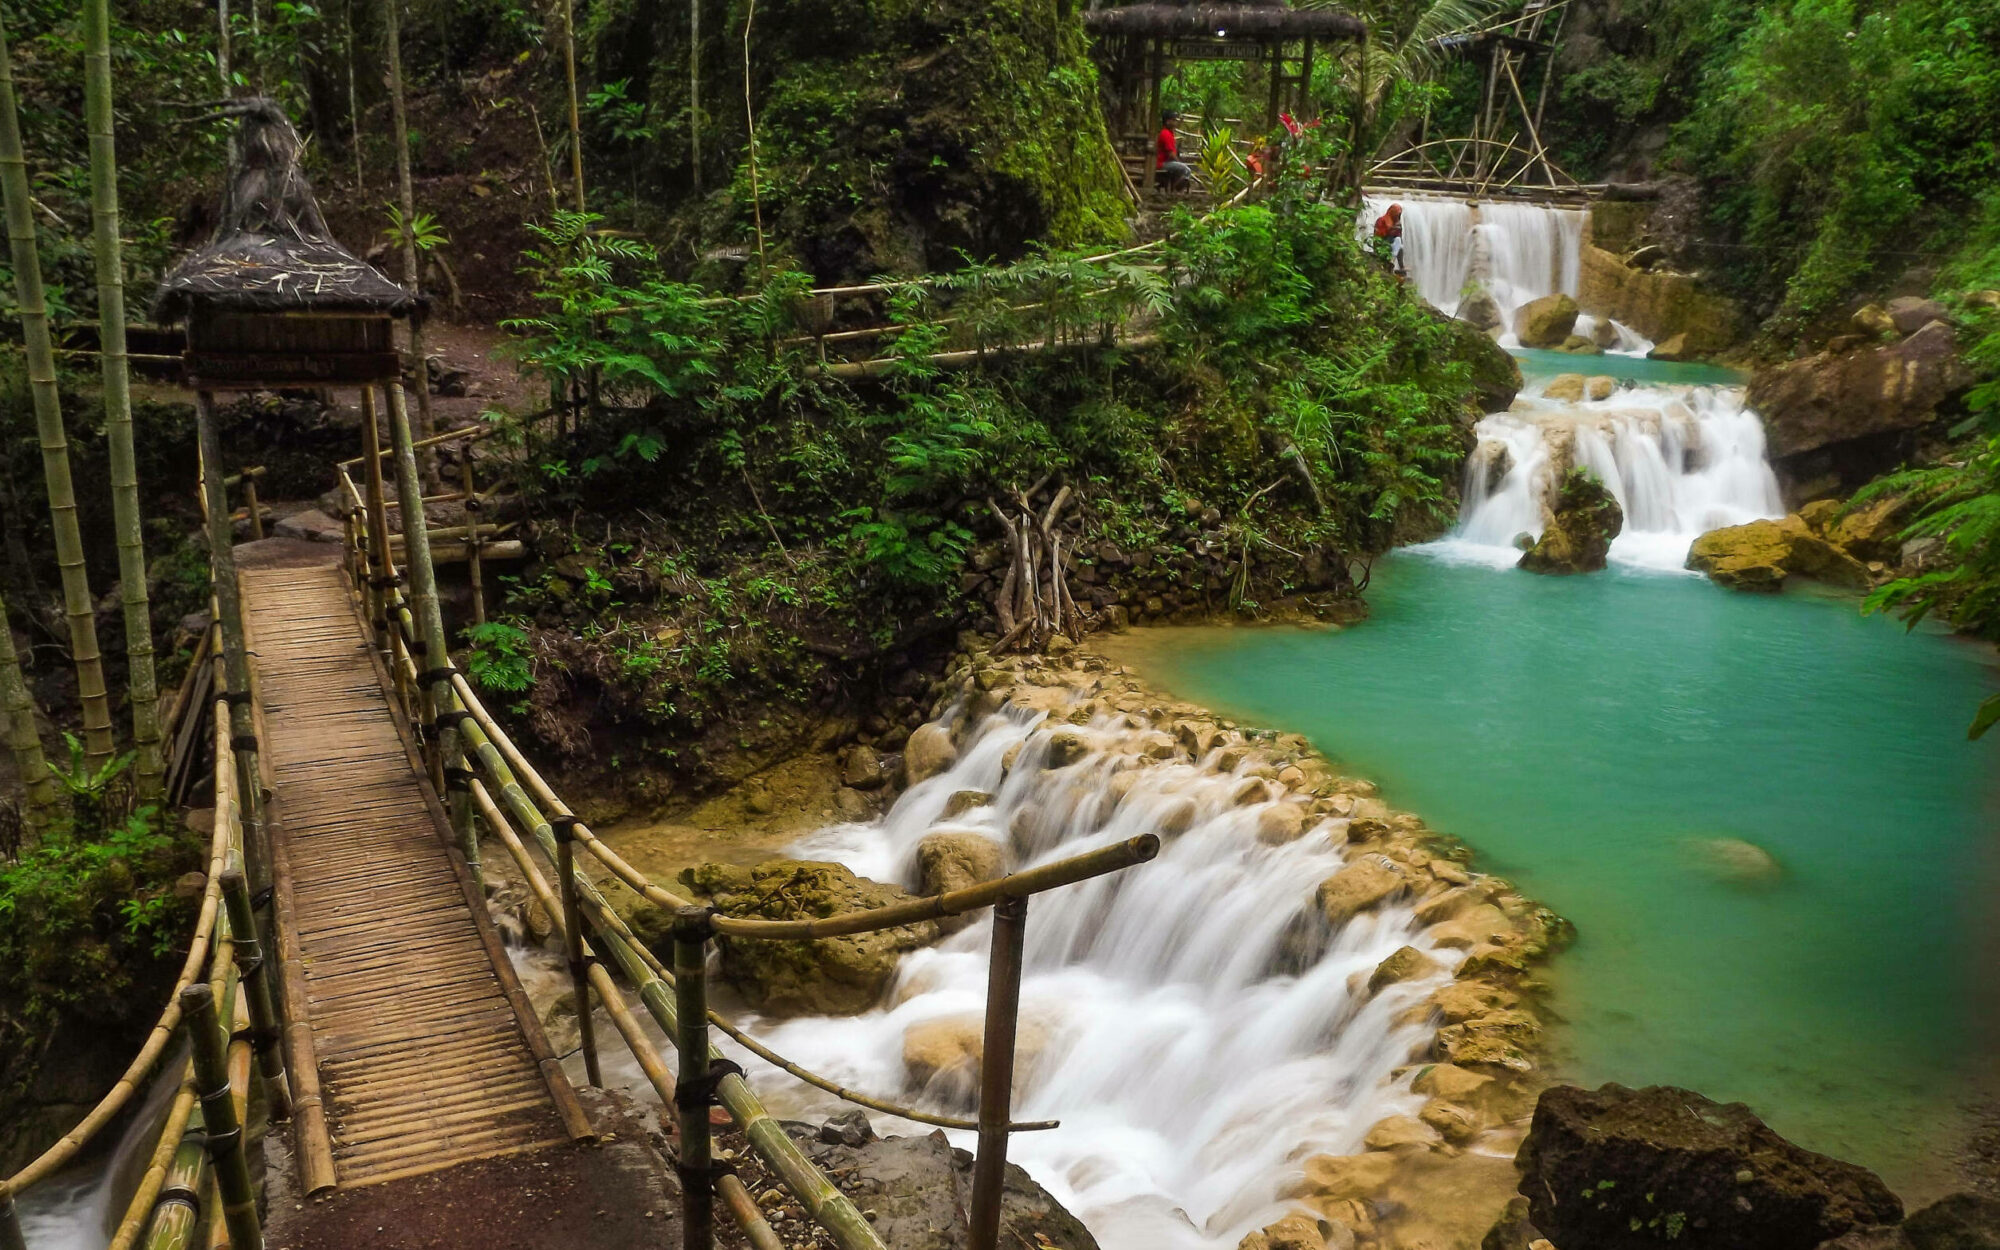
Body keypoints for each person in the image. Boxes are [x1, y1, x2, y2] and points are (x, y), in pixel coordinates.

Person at [1156, 111, 1192, 192]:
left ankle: (1175, 188)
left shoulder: (1169, 133)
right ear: (1168, 121)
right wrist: (1179, 161)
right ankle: (1176, 189)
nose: (1176, 122)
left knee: (1181, 168)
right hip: (1162, 163)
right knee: (1186, 170)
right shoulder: (1166, 134)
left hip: (1166, 162)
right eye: (1174, 120)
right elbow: (1171, 153)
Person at [1372, 202, 1405, 274]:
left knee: (1399, 243)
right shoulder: (1381, 220)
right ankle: (1391, 262)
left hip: (1392, 243)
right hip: (1382, 243)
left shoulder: (1396, 222)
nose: (1397, 216)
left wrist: (1398, 229)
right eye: (1396, 214)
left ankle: (1396, 263)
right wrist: (1390, 229)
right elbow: (1378, 235)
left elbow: (1398, 236)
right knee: (1398, 243)